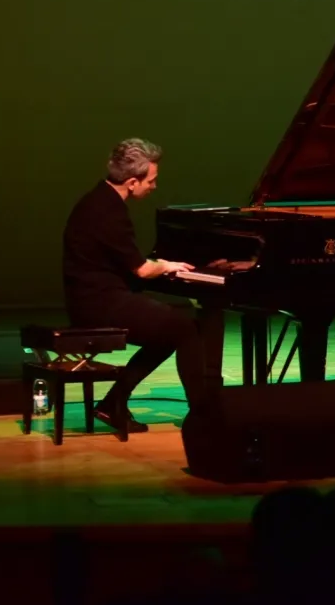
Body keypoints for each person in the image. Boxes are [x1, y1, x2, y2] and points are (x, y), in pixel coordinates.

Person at [61, 138, 221, 431]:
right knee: (185, 329)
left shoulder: (98, 199)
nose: (154, 186)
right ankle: (202, 415)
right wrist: (167, 265)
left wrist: (162, 266)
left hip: (93, 298)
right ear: (132, 182)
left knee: (172, 331)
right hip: (99, 304)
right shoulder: (109, 212)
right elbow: (143, 270)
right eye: (151, 180)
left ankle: (113, 402)